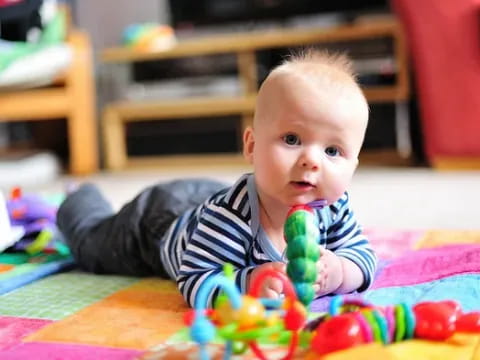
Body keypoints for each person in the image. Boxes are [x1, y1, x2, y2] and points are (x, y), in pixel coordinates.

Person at [57, 49, 377, 308]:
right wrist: (248, 283)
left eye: (333, 151)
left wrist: (339, 273)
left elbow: (363, 257)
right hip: (155, 224)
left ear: (354, 165)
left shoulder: (332, 207)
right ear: (251, 146)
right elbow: (195, 281)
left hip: (206, 196)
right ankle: (79, 195)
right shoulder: (229, 218)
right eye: (292, 139)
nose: (311, 160)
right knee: (92, 247)